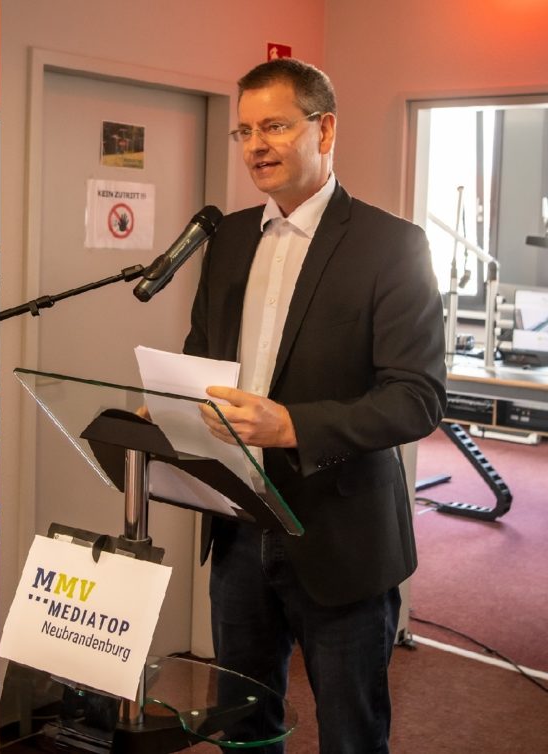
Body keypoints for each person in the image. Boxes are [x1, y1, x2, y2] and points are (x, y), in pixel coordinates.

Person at [183, 58, 446, 752]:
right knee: (243, 728)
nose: (255, 146)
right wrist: (175, 404)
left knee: (350, 735)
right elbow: (202, 355)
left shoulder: (392, 245)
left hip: (342, 534)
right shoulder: (228, 239)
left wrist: (293, 425)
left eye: (274, 126)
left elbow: (417, 398)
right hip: (240, 526)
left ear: (324, 130)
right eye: (244, 131)